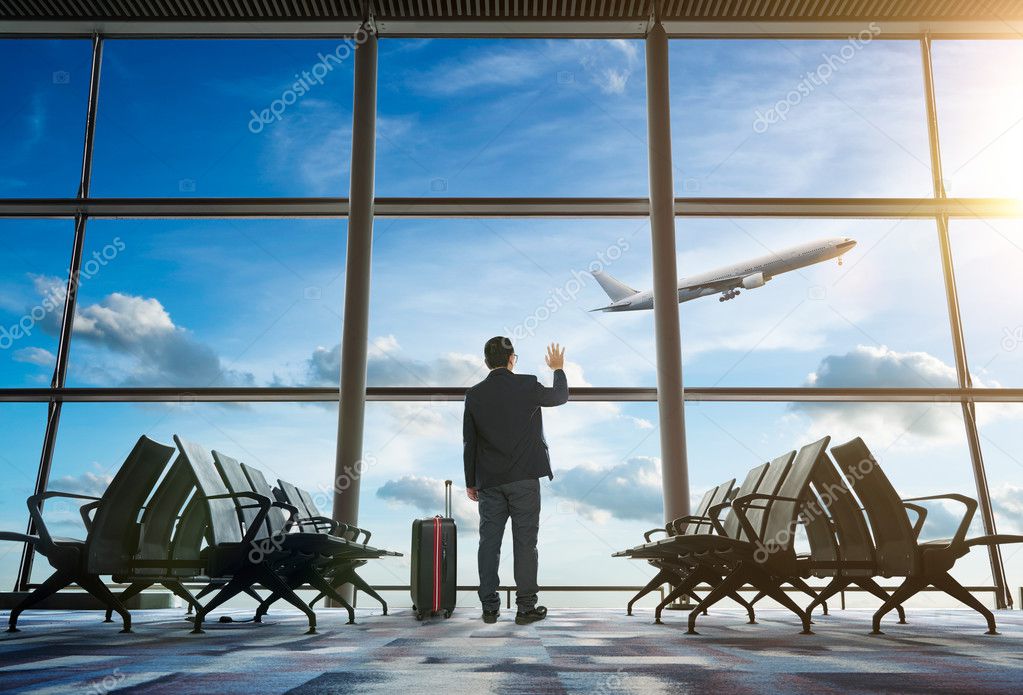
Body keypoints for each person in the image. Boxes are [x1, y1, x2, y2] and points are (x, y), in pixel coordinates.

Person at [463, 337, 569, 625]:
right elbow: (559, 397)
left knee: (489, 543)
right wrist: (558, 369)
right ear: (512, 360)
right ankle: (525, 609)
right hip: (524, 479)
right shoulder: (527, 385)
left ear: (487, 362)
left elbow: (469, 443)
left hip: (490, 481)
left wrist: (470, 481)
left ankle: (489, 608)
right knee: (525, 544)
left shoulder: (474, 394)